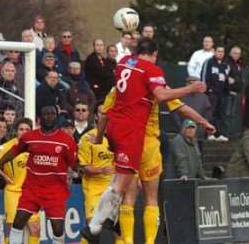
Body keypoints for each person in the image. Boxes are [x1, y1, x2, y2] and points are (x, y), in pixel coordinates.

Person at [81, 38, 213, 242]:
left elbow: (105, 113)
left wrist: (99, 137)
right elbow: (174, 103)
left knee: (126, 193)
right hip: (143, 140)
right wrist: (196, 101)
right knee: (148, 195)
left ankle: (118, 230)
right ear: (155, 54)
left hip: (118, 134)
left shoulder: (122, 71)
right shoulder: (154, 76)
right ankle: (104, 229)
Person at [101, 86, 214, 244]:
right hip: (149, 145)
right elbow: (181, 108)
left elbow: (105, 114)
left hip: (128, 143)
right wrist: (204, 122)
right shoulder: (157, 87)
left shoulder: (120, 86)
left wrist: (100, 136)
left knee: (128, 198)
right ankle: (149, 242)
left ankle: (127, 241)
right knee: (151, 198)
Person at [0, 105, 78, 244]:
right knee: (18, 221)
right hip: (32, 188)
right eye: (45, 114)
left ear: (56, 117)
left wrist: (73, 172)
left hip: (54, 189)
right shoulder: (30, 137)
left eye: (51, 114)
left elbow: (73, 163)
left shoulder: (66, 140)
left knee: (57, 227)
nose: (48, 117)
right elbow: (14, 151)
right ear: (40, 118)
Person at [0, 118, 40, 244]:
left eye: (27, 129)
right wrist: (4, 176)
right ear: (16, 131)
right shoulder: (8, 146)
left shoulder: (36, 146)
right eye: (21, 129)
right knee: (11, 228)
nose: (24, 132)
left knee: (35, 229)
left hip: (31, 193)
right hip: (13, 192)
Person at [78, 105, 113, 244]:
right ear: (97, 116)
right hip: (93, 188)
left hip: (112, 188)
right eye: (102, 112)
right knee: (93, 229)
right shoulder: (88, 138)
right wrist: (101, 170)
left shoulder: (116, 136)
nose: (106, 116)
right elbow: (84, 166)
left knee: (117, 228)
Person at [201, 46, 231, 141]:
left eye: (222, 51)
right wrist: (207, 90)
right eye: (219, 51)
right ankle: (210, 134)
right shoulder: (209, 62)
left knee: (221, 114)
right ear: (214, 52)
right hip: (211, 93)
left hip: (222, 94)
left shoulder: (226, 65)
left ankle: (219, 134)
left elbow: (227, 79)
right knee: (210, 113)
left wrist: (227, 90)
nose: (220, 53)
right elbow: (204, 76)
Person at [225, 46, 245, 138]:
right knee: (227, 113)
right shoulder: (227, 63)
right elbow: (227, 78)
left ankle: (232, 133)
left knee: (234, 114)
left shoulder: (239, 64)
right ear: (230, 53)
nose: (236, 55)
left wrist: (236, 82)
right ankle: (227, 133)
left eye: (238, 53)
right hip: (229, 93)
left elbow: (237, 79)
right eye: (234, 53)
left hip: (237, 92)